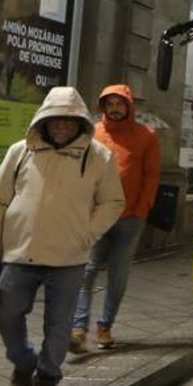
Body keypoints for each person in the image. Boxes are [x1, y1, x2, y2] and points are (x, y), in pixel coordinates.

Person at [0, 88, 126, 386]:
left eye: (69, 121)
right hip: (19, 252)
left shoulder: (99, 157)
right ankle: (24, 362)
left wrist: (87, 233)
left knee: (59, 326)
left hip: (69, 257)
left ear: (79, 123)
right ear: (44, 119)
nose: (61, 127)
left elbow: (113, 201)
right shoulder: (20, 152)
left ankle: (46, 383)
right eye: (55, 119)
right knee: (7, 314)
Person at [71, 85, 160, 352]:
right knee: (85, 272)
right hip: (96, 216)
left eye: (119, 104)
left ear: (129, 106)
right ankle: (78, 329)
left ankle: (105, 327)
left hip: (129, 219)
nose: (115, 108)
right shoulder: (93, 134)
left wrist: (142, 208)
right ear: (103, 106)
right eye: (109, 103)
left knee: (117, 277)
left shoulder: (146, 136)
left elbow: (151, 176)